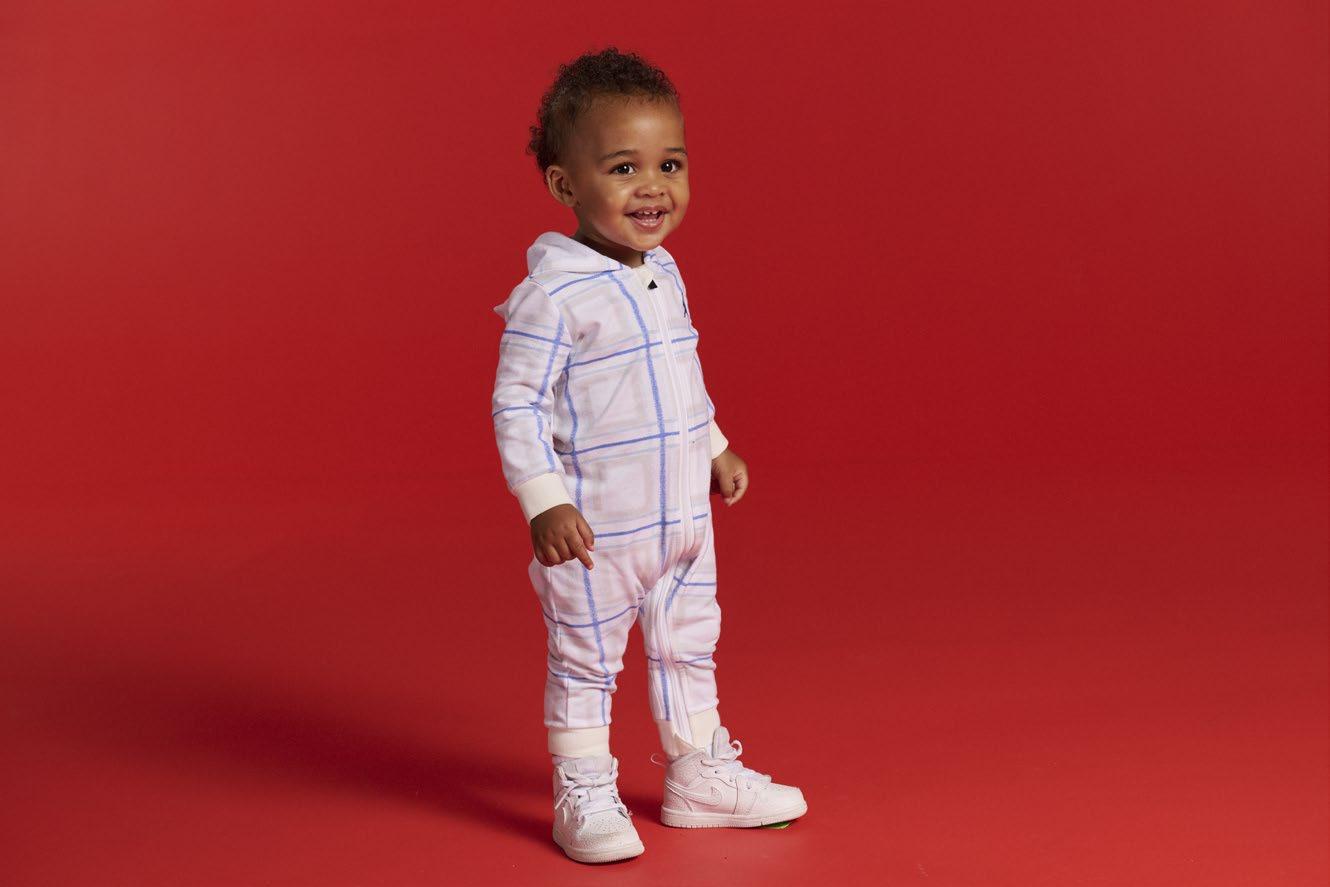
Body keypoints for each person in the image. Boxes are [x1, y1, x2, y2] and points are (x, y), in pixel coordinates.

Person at [490, 46, 808, 864]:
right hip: (596, 533)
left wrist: (716, 445)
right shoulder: (552, 295)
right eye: (623, 167)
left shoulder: (664, 271)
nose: (653, 186)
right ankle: (584, 787)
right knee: (586, 659)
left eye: (670, 163)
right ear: (565, 184)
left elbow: (679, 377)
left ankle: (698, 772)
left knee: (688, 642)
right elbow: (517, 405)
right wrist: (544, 500)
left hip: (681, 520)